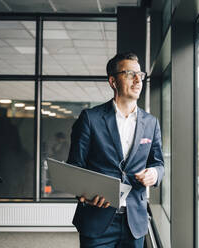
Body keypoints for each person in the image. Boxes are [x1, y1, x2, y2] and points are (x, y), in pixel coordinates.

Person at [67, 52, 164, 247]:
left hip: (134, 222)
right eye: (129, 74)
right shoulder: (90, 118)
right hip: (97, 220)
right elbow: (75, 167)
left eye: (140, 74)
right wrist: (86, 194)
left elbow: (158, 163)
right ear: (113, 81)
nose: (138, 80)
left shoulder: (151, 123)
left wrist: (154, 173)